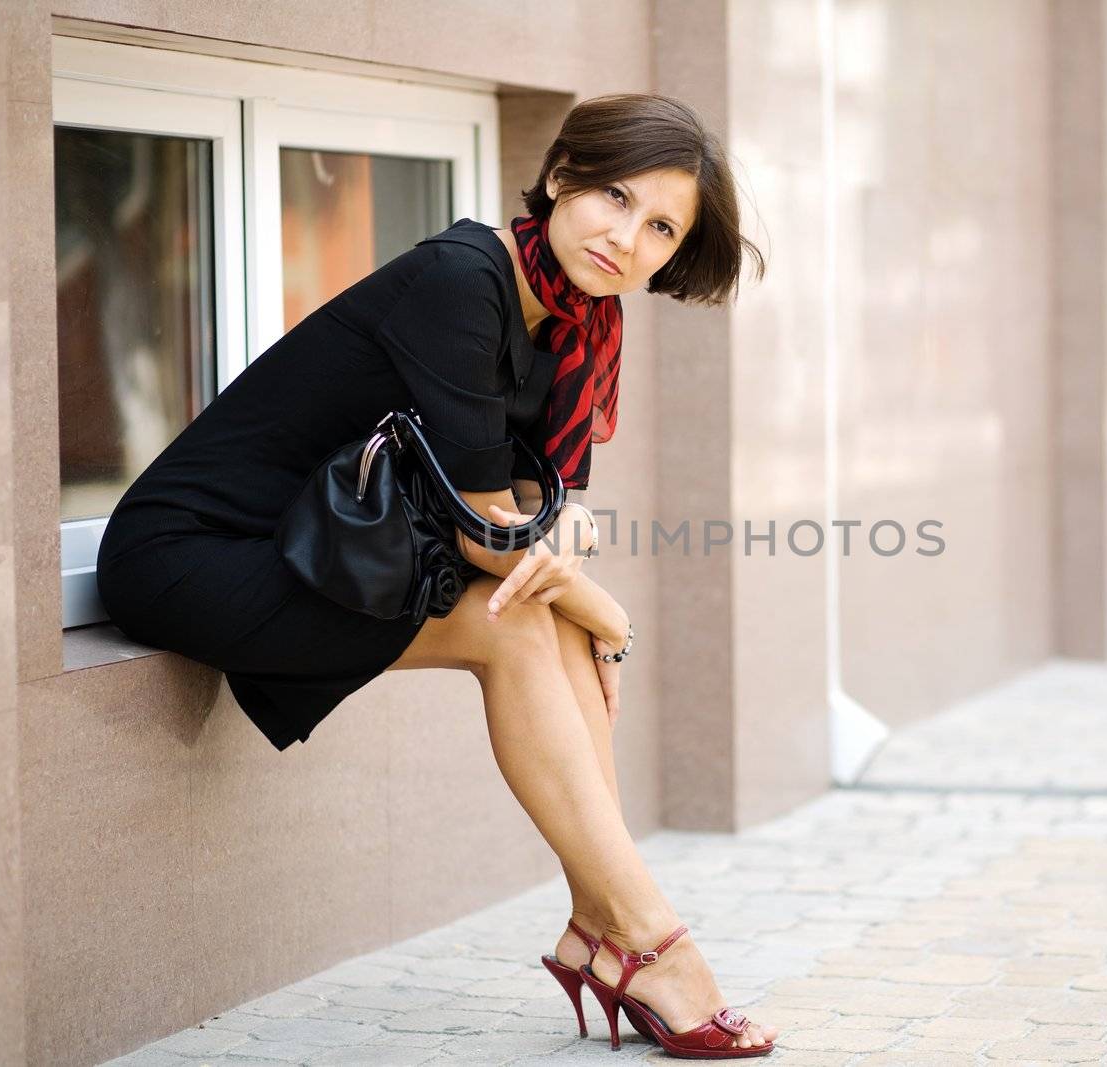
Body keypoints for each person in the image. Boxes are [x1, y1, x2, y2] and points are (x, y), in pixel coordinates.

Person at [96, 93, 776, 1057]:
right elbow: (491, 540)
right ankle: (645, 938)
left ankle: (611, 928)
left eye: (660, 225)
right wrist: (611, 610)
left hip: (318, 548)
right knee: (525, 615)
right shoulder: (463, 282)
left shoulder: (583, 327)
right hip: (193, 554)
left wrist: (577, 588)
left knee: (546, 615)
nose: (626, 237)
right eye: (613, 197)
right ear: (562, 175)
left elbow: (553, 519)